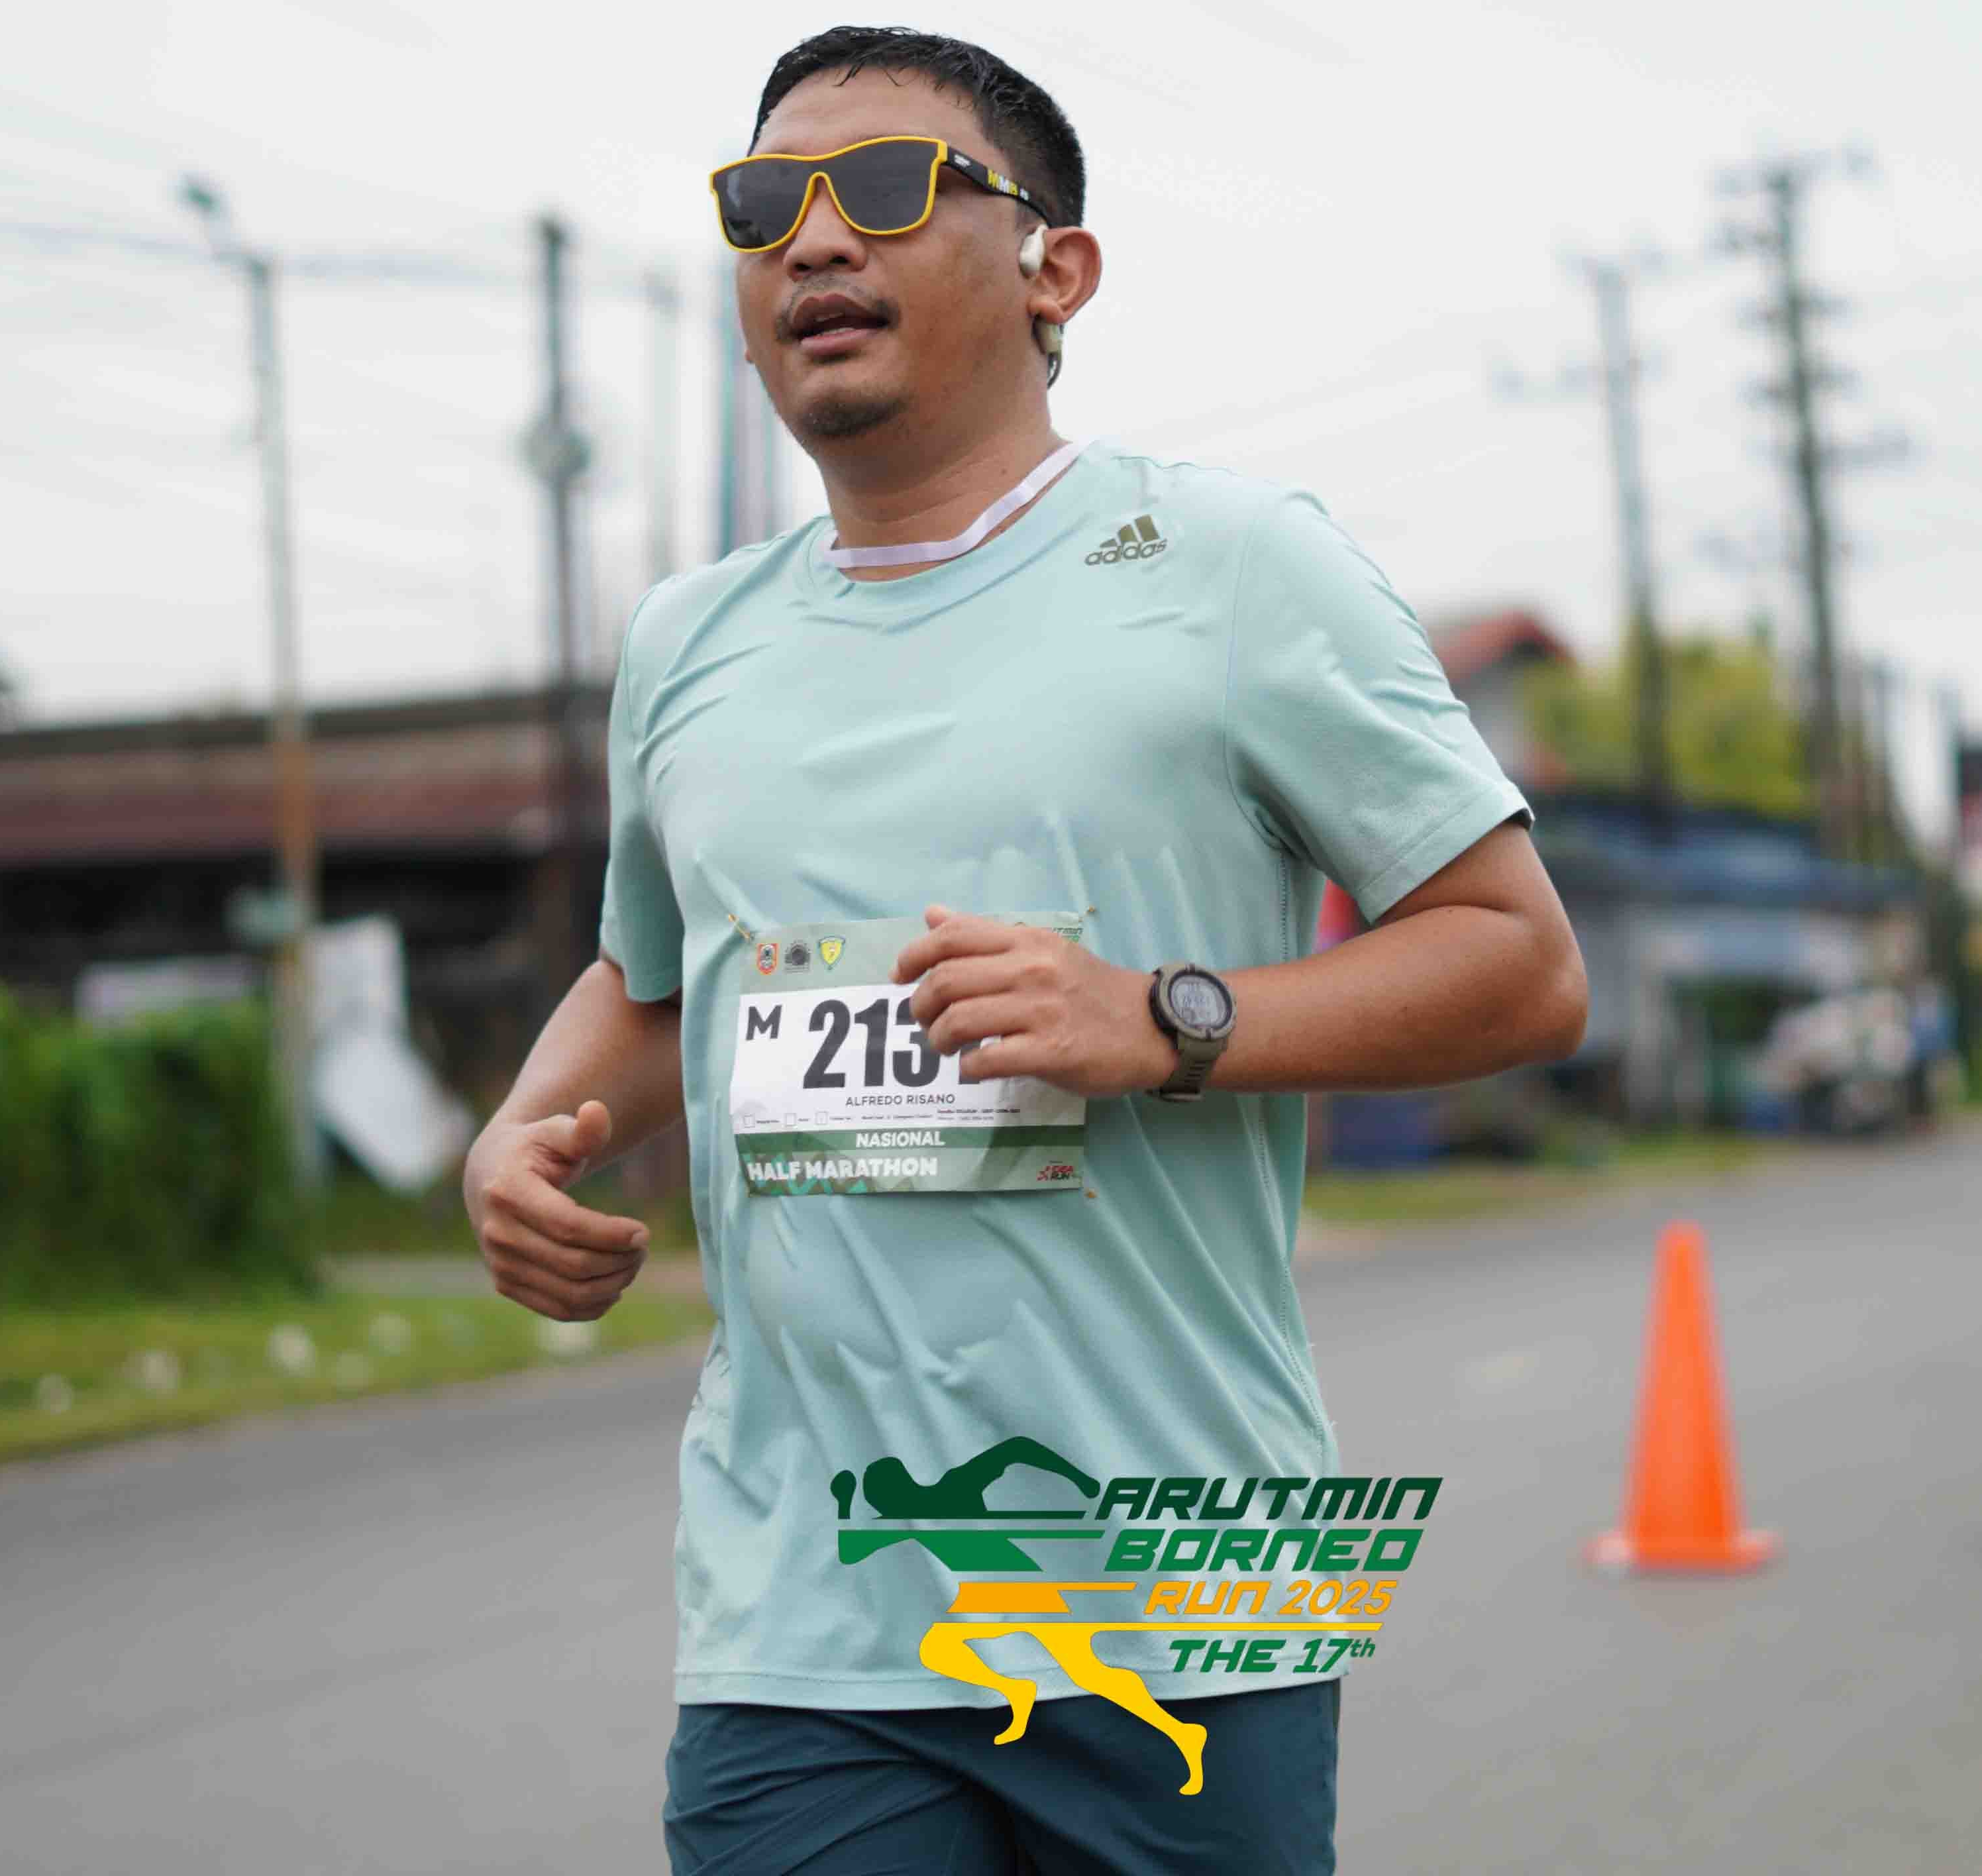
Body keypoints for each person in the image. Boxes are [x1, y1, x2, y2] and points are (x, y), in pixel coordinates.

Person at [459, 25, 1588, 1874]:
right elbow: (658, 983)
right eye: (766, 204)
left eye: (886, 189)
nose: (816, 241)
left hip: (1198, 1590)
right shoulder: (685, 643)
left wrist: (1165, 1019)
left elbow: (1521, 963)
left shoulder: (1237, 566)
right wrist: (518, 1138)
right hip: (805, 1617)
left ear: (1055, 267)